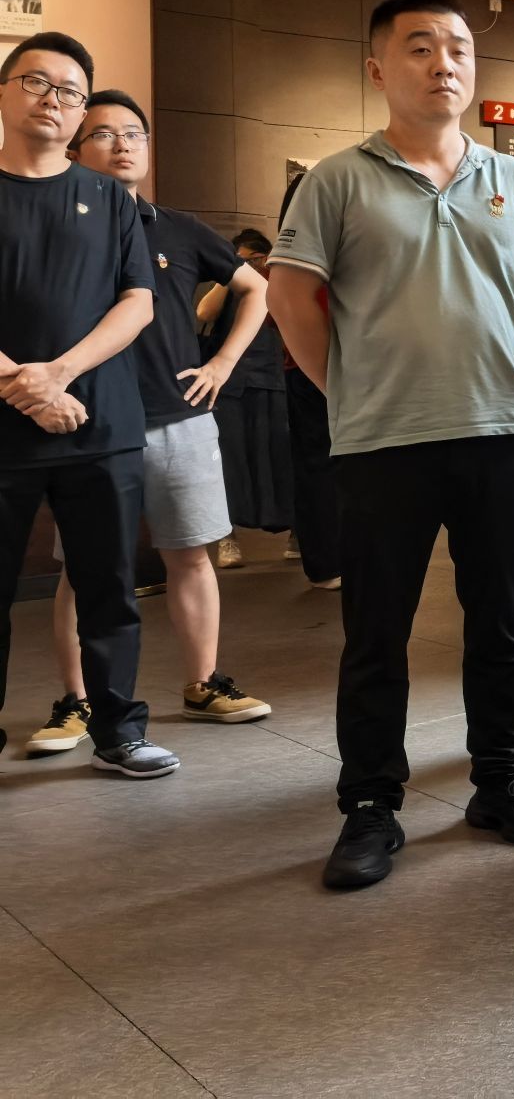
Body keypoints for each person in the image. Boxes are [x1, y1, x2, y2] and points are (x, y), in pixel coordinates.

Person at [269, 0, 514, 891]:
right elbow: (291, 299)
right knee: (376, 634)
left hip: (499, 433)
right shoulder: (336, 180)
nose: (443, 63)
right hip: (382, 445)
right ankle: (371, 804)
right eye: (419, 47)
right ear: (378, 69)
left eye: (457, 48)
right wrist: (349, 392)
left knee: (504, 625)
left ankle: (502, 780)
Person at [60, 90, 273, 726]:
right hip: (90, 421)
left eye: (134, 133)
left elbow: (257, 289)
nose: (123, 144)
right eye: (104, 134)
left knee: (192, 556)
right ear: (75, 149)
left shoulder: (178, 228)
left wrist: (222, 363)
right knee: (84, 570)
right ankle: (75, 702)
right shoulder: (62, 224)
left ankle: (203, 683)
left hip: (180, 418)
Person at [0, 33, 175, 776]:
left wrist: (60, 375)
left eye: (70, 91)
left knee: (109, 588)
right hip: (2, 426)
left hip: (100, 422)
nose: (54, 99)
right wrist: (20, 383)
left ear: (80, 113)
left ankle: (118, 733)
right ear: (4, 92)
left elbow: (138, 301)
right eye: (36, 82)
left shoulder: (109, 199)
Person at [197, 230, 294, 565]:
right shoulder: (229, 284)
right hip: (231, 381)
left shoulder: (278, 279)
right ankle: (228, 538)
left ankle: (298, 533)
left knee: (283, 457)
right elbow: (204, 313)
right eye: (244, 259)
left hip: (275, 377)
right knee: (230, 460)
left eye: (256, 258)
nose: (252, 265)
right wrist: (229, 272)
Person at [278, 168, 341, 592]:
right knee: (320, 462)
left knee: (323, 463)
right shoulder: (304, 251)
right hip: (314, 364)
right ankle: (324, 560)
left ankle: (327, 559)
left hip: (321, 364)